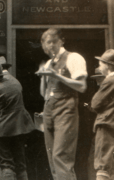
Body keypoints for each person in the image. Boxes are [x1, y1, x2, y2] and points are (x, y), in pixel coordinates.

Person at [36, 28, 87, 180]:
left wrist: (56, 75)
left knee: (61, 156)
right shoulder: (49, 63)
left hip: (66, 108)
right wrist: (43, 77)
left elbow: (82, 86)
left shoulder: (73, 58)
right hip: (49, 109)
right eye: (47, 43)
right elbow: (43, 94)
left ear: (62, 41)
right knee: (52, 156)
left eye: (54, 41)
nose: (50, 46)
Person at [0, 63, 35, 180]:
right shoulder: (16, 83)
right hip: (20, 127)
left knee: (6, 164)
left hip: (3, 129)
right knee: (21, 164)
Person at [90, 49, 114, 180]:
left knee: (102, 166)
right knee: (112, 167)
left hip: (106, 125)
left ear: (108, 65)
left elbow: (95, 103)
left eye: (101, 63)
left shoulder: (110, 81)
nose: (99, 66)